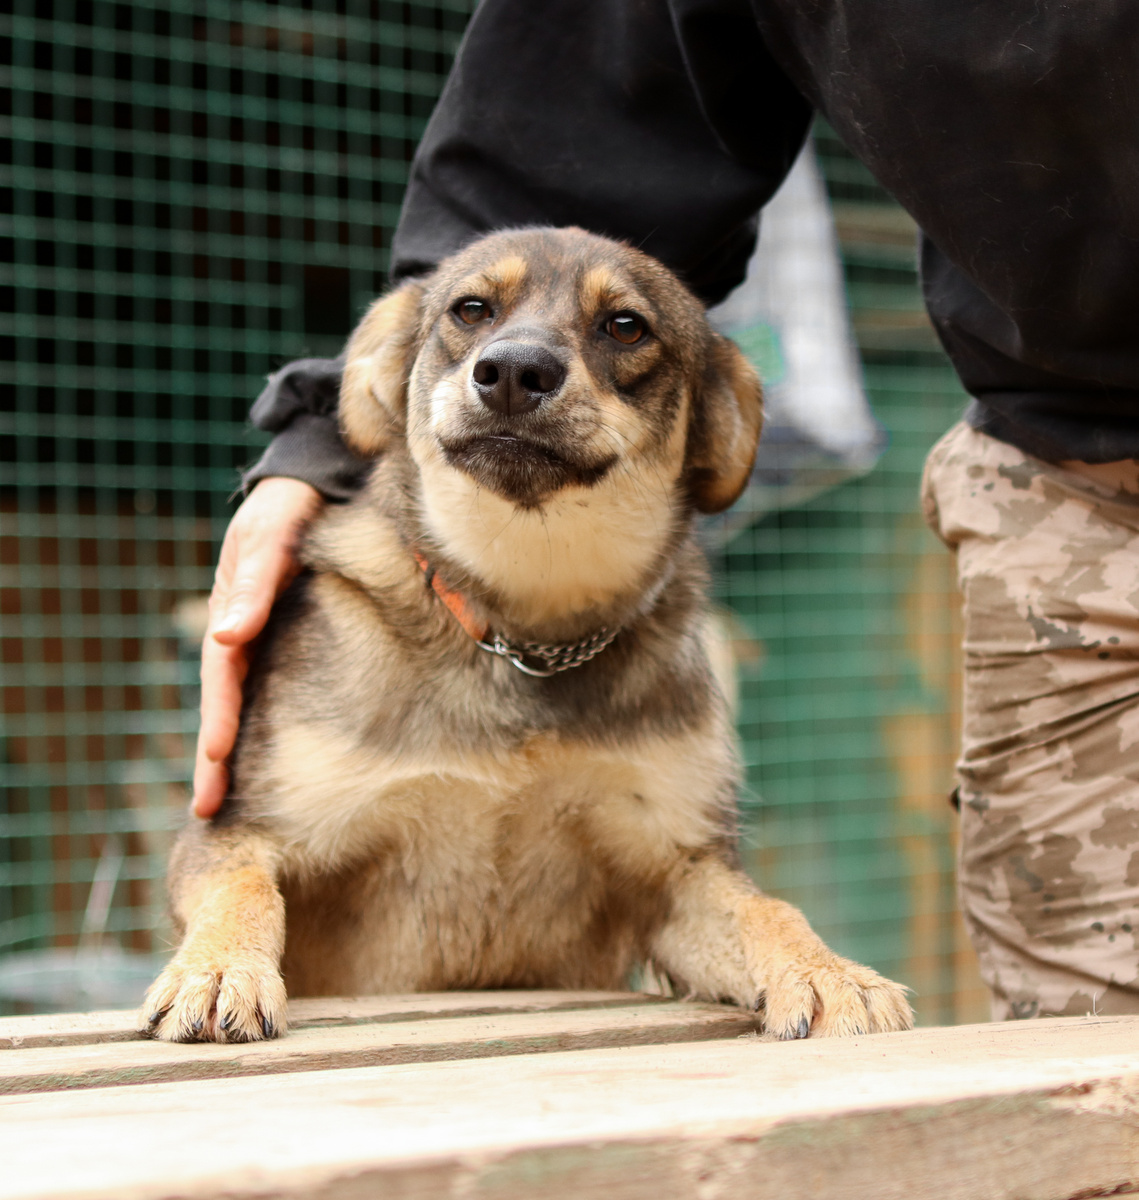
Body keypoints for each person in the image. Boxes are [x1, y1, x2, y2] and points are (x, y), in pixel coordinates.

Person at [193, 0, 1139, 1019]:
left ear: (715, 427)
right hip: (1080, 496)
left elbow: (686, 881)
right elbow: (545, 163)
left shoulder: (666, 628)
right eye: (473, 320)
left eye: (623, 332)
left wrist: (779, 945)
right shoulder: (355, 587)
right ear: (391, 374)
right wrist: (309, 448)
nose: (519, 358)